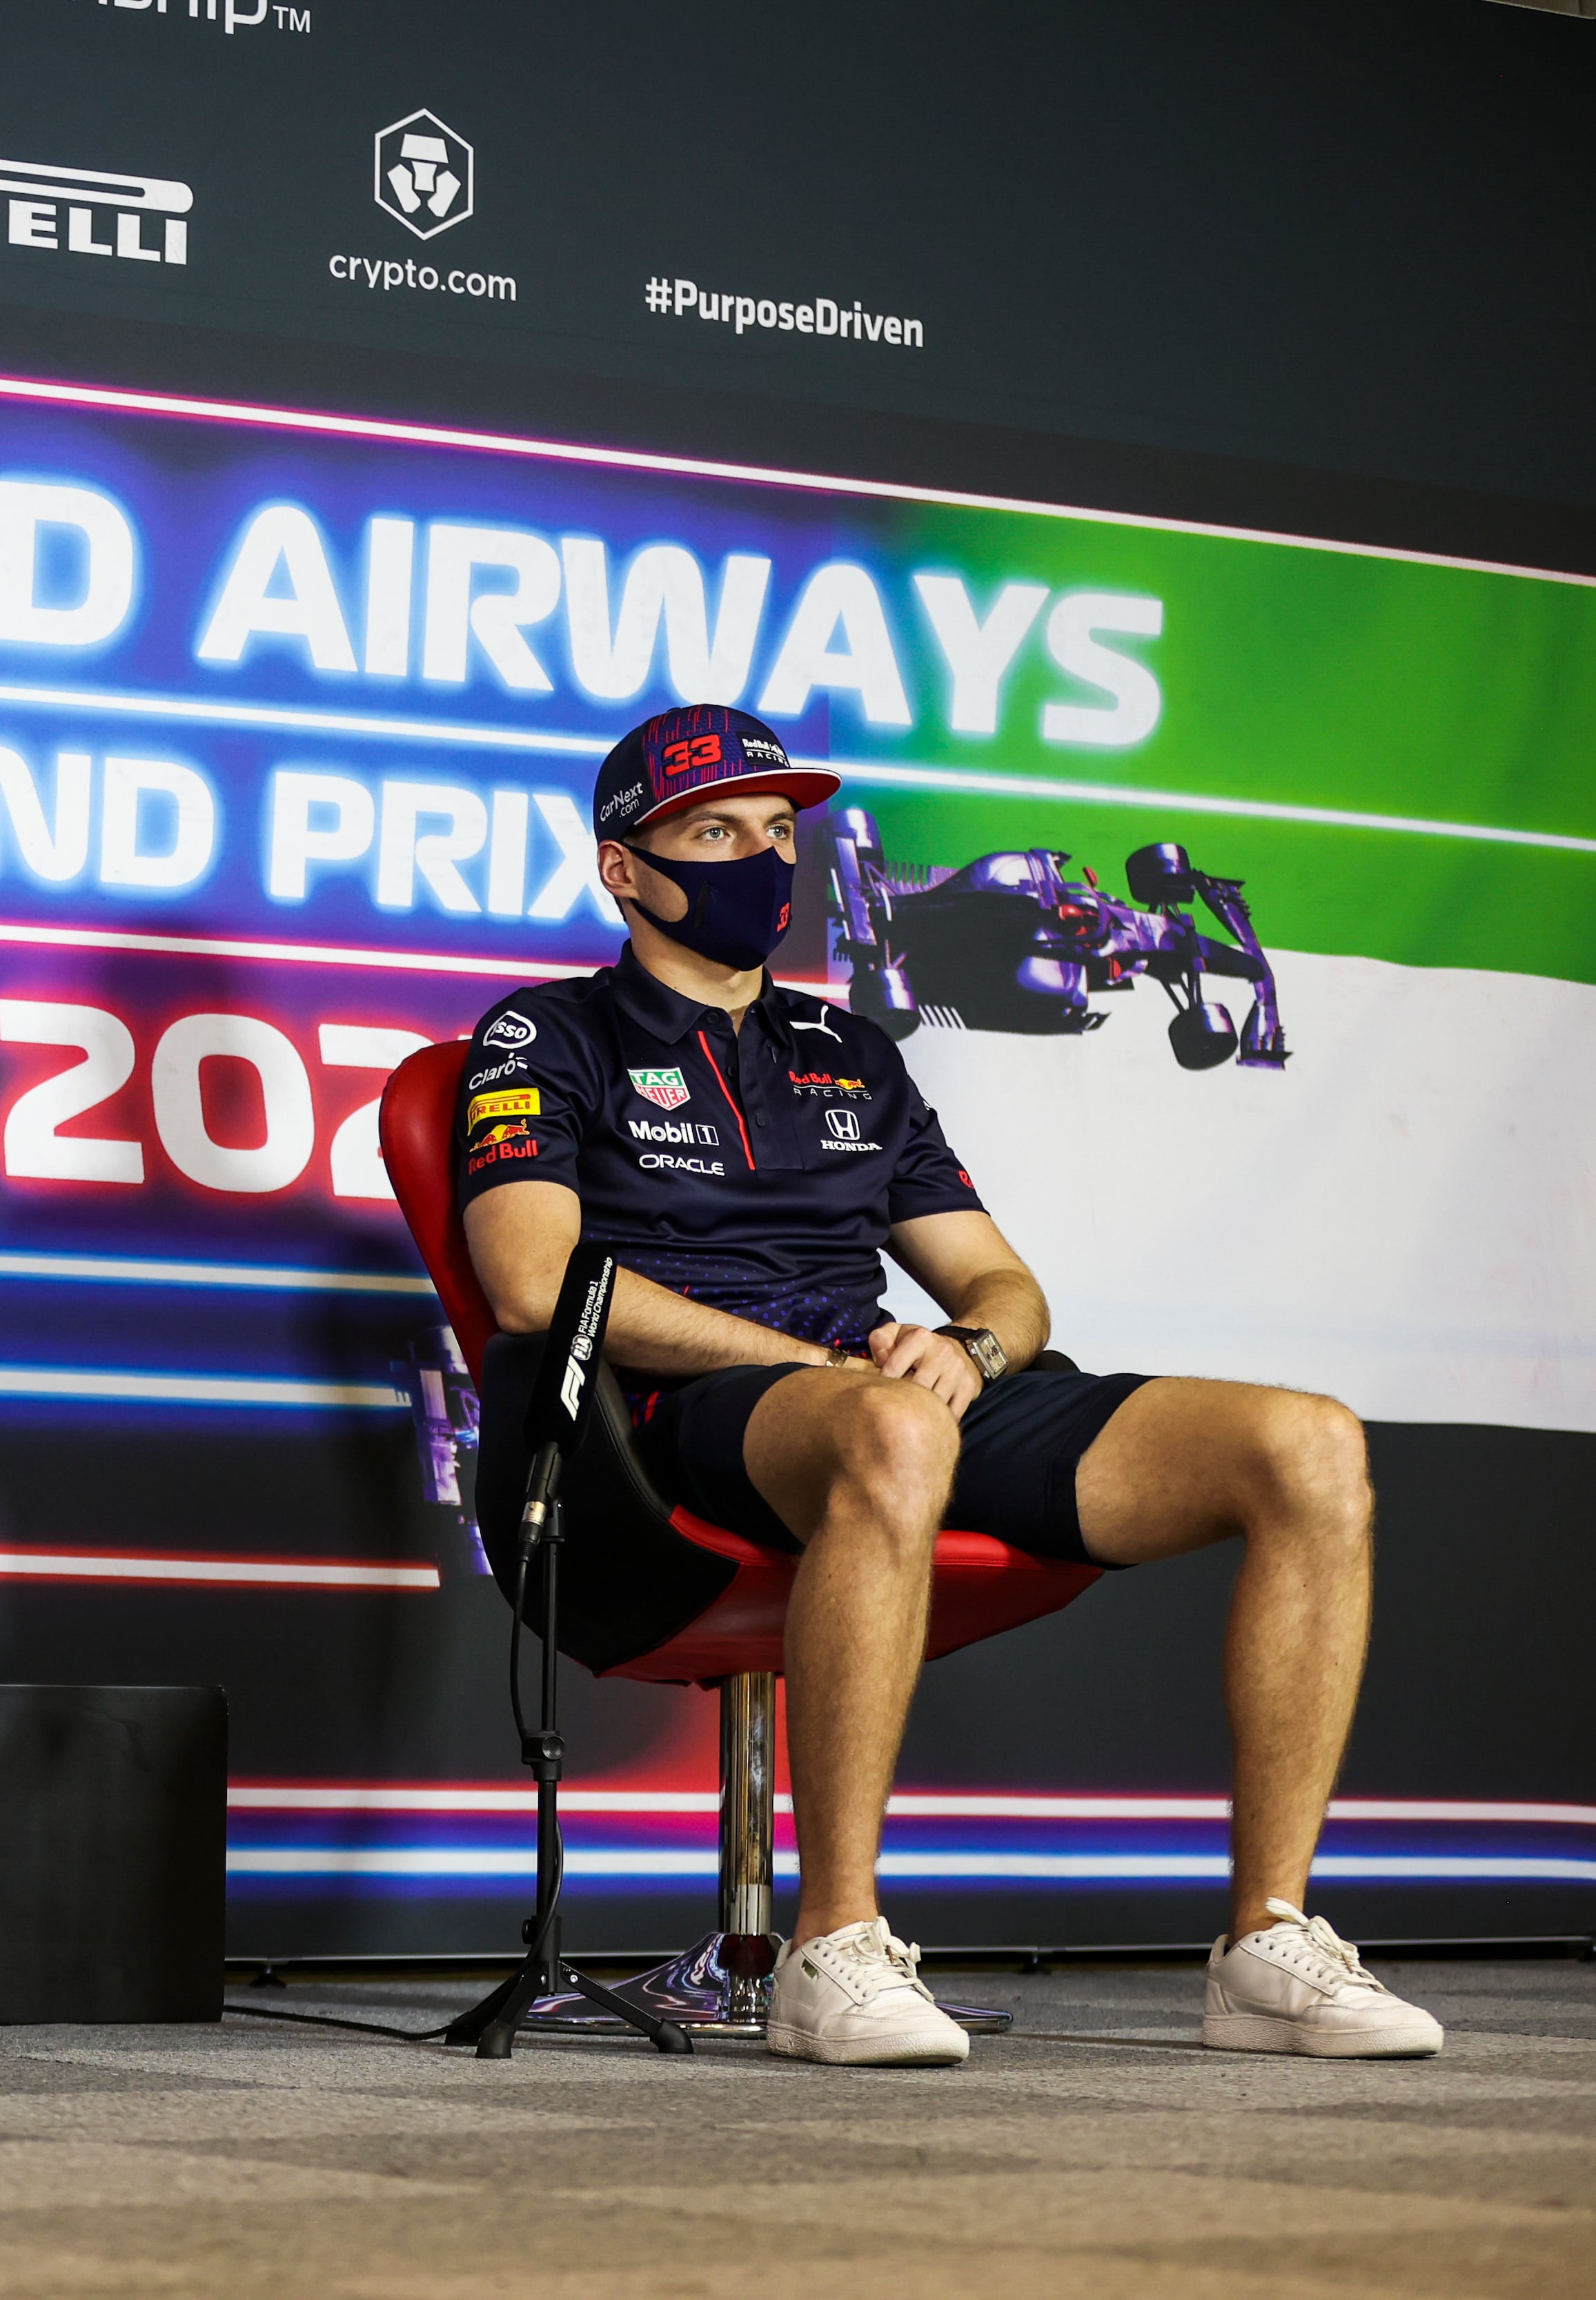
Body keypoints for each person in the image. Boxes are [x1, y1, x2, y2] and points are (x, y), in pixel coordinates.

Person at [454, 702, 1440, 2069]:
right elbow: (533, 1286)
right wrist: (810, 1361)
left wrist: (968, 1347)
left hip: (889, 1401)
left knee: (1307, 1442)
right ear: (624, 868)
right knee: (886, 1422)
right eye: (714, 832)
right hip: (676, 1423)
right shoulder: (540, 1035)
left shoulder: (850, 1051)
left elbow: (1005, 1287)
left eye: (776, 832)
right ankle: (833, 1942)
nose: (761, 859)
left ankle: (1266, 1939)